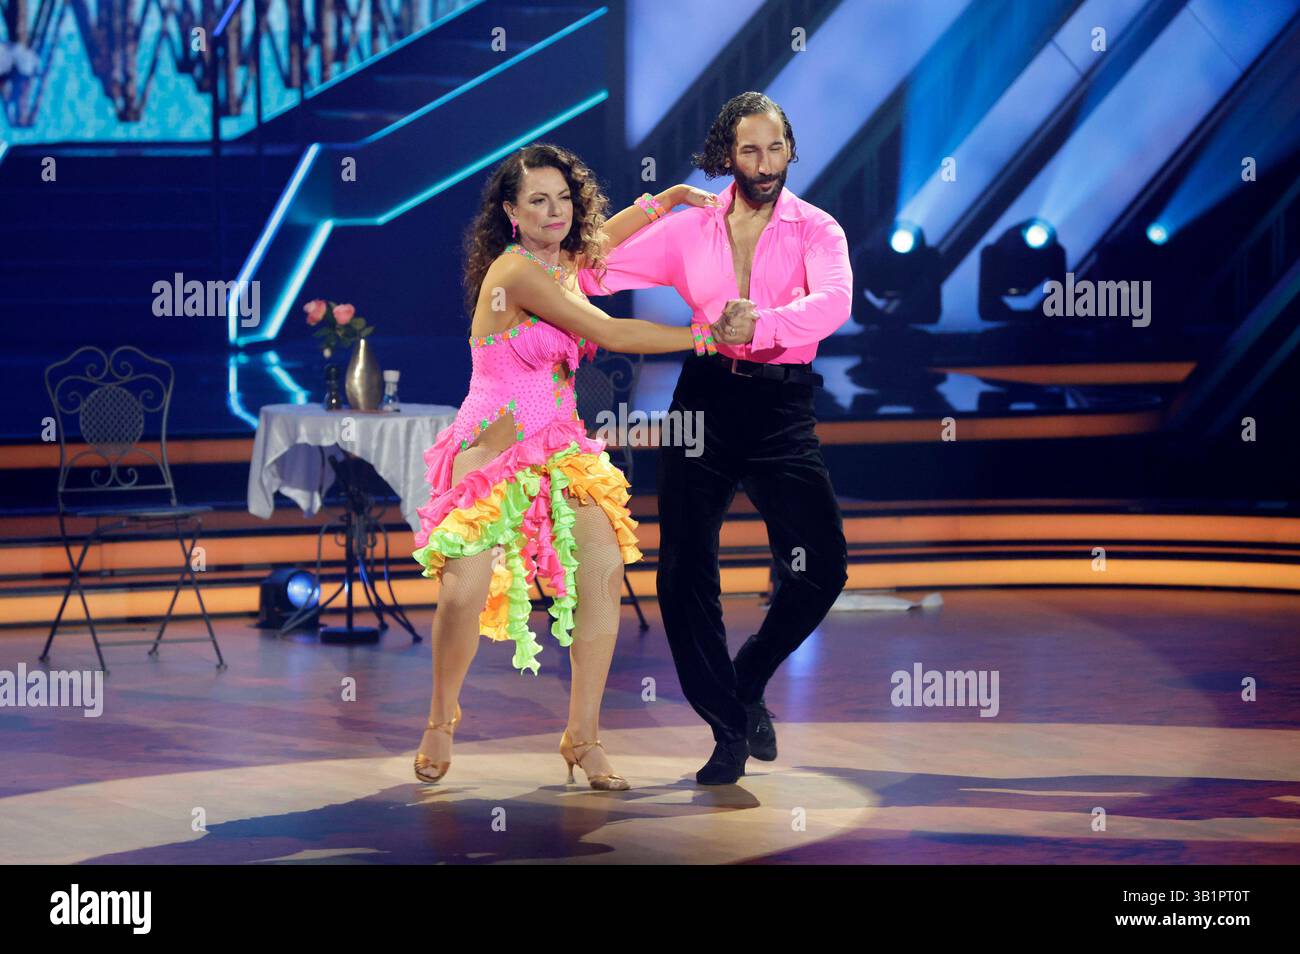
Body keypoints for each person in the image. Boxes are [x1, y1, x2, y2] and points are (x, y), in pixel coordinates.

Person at [410, 142, 741, 791]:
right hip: (494, 449)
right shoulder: (514, 273)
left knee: (603, 569)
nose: (555, 210)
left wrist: (667, 199)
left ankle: (582, 736)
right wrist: (707, 336)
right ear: (510, 211)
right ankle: (441, 719)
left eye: (563, 197)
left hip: (561, 447)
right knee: (466, 588)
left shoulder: (563, 264)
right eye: (538, 200)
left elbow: (604, 240)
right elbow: (613, 334)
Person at [578, 92, 853, 784]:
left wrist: (758, 323)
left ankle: (747, 676)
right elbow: (592, 268)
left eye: (776, 149)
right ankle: (726, 725)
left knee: (823, 567)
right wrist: (659, 202)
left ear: (791, 150)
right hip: (704, 398)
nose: (765, 165)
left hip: (781, 407)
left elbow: (833, 304)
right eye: (751, 151)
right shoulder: (689, 225)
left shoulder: (818, 229)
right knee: (684, 569)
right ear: (727, 155)